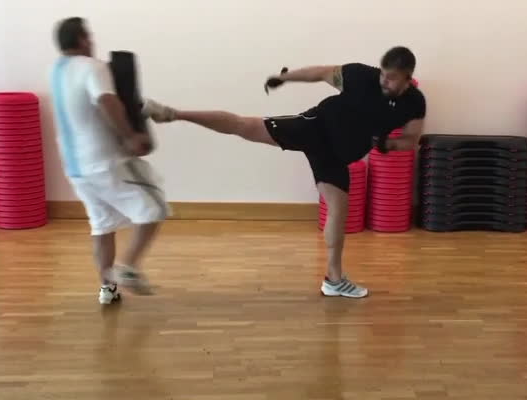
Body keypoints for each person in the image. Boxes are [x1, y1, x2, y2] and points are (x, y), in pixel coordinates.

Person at [143, 46, 426, 298]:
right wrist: (285, 77)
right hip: (314, 128)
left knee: (339, 209)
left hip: (337, 155)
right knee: (244, 126)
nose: (384, 81)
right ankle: (173, 113)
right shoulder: (362, 76)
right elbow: (320, 73)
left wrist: (387, 144)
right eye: (383, 74)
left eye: (391, 78)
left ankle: (334, 280)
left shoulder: (414, 103)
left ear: (408, 77)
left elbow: (411, 140)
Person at [49, 17, 168, 304]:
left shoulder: (57, 70)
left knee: (102, 226)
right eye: (88, 36)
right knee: (155, 208)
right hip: (105, 162)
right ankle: (128, 267)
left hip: (76, 170)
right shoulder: (93, 67)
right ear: (81, 39)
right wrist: (130, 136)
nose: (92, 41)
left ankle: (108, 289)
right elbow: (106, 100)